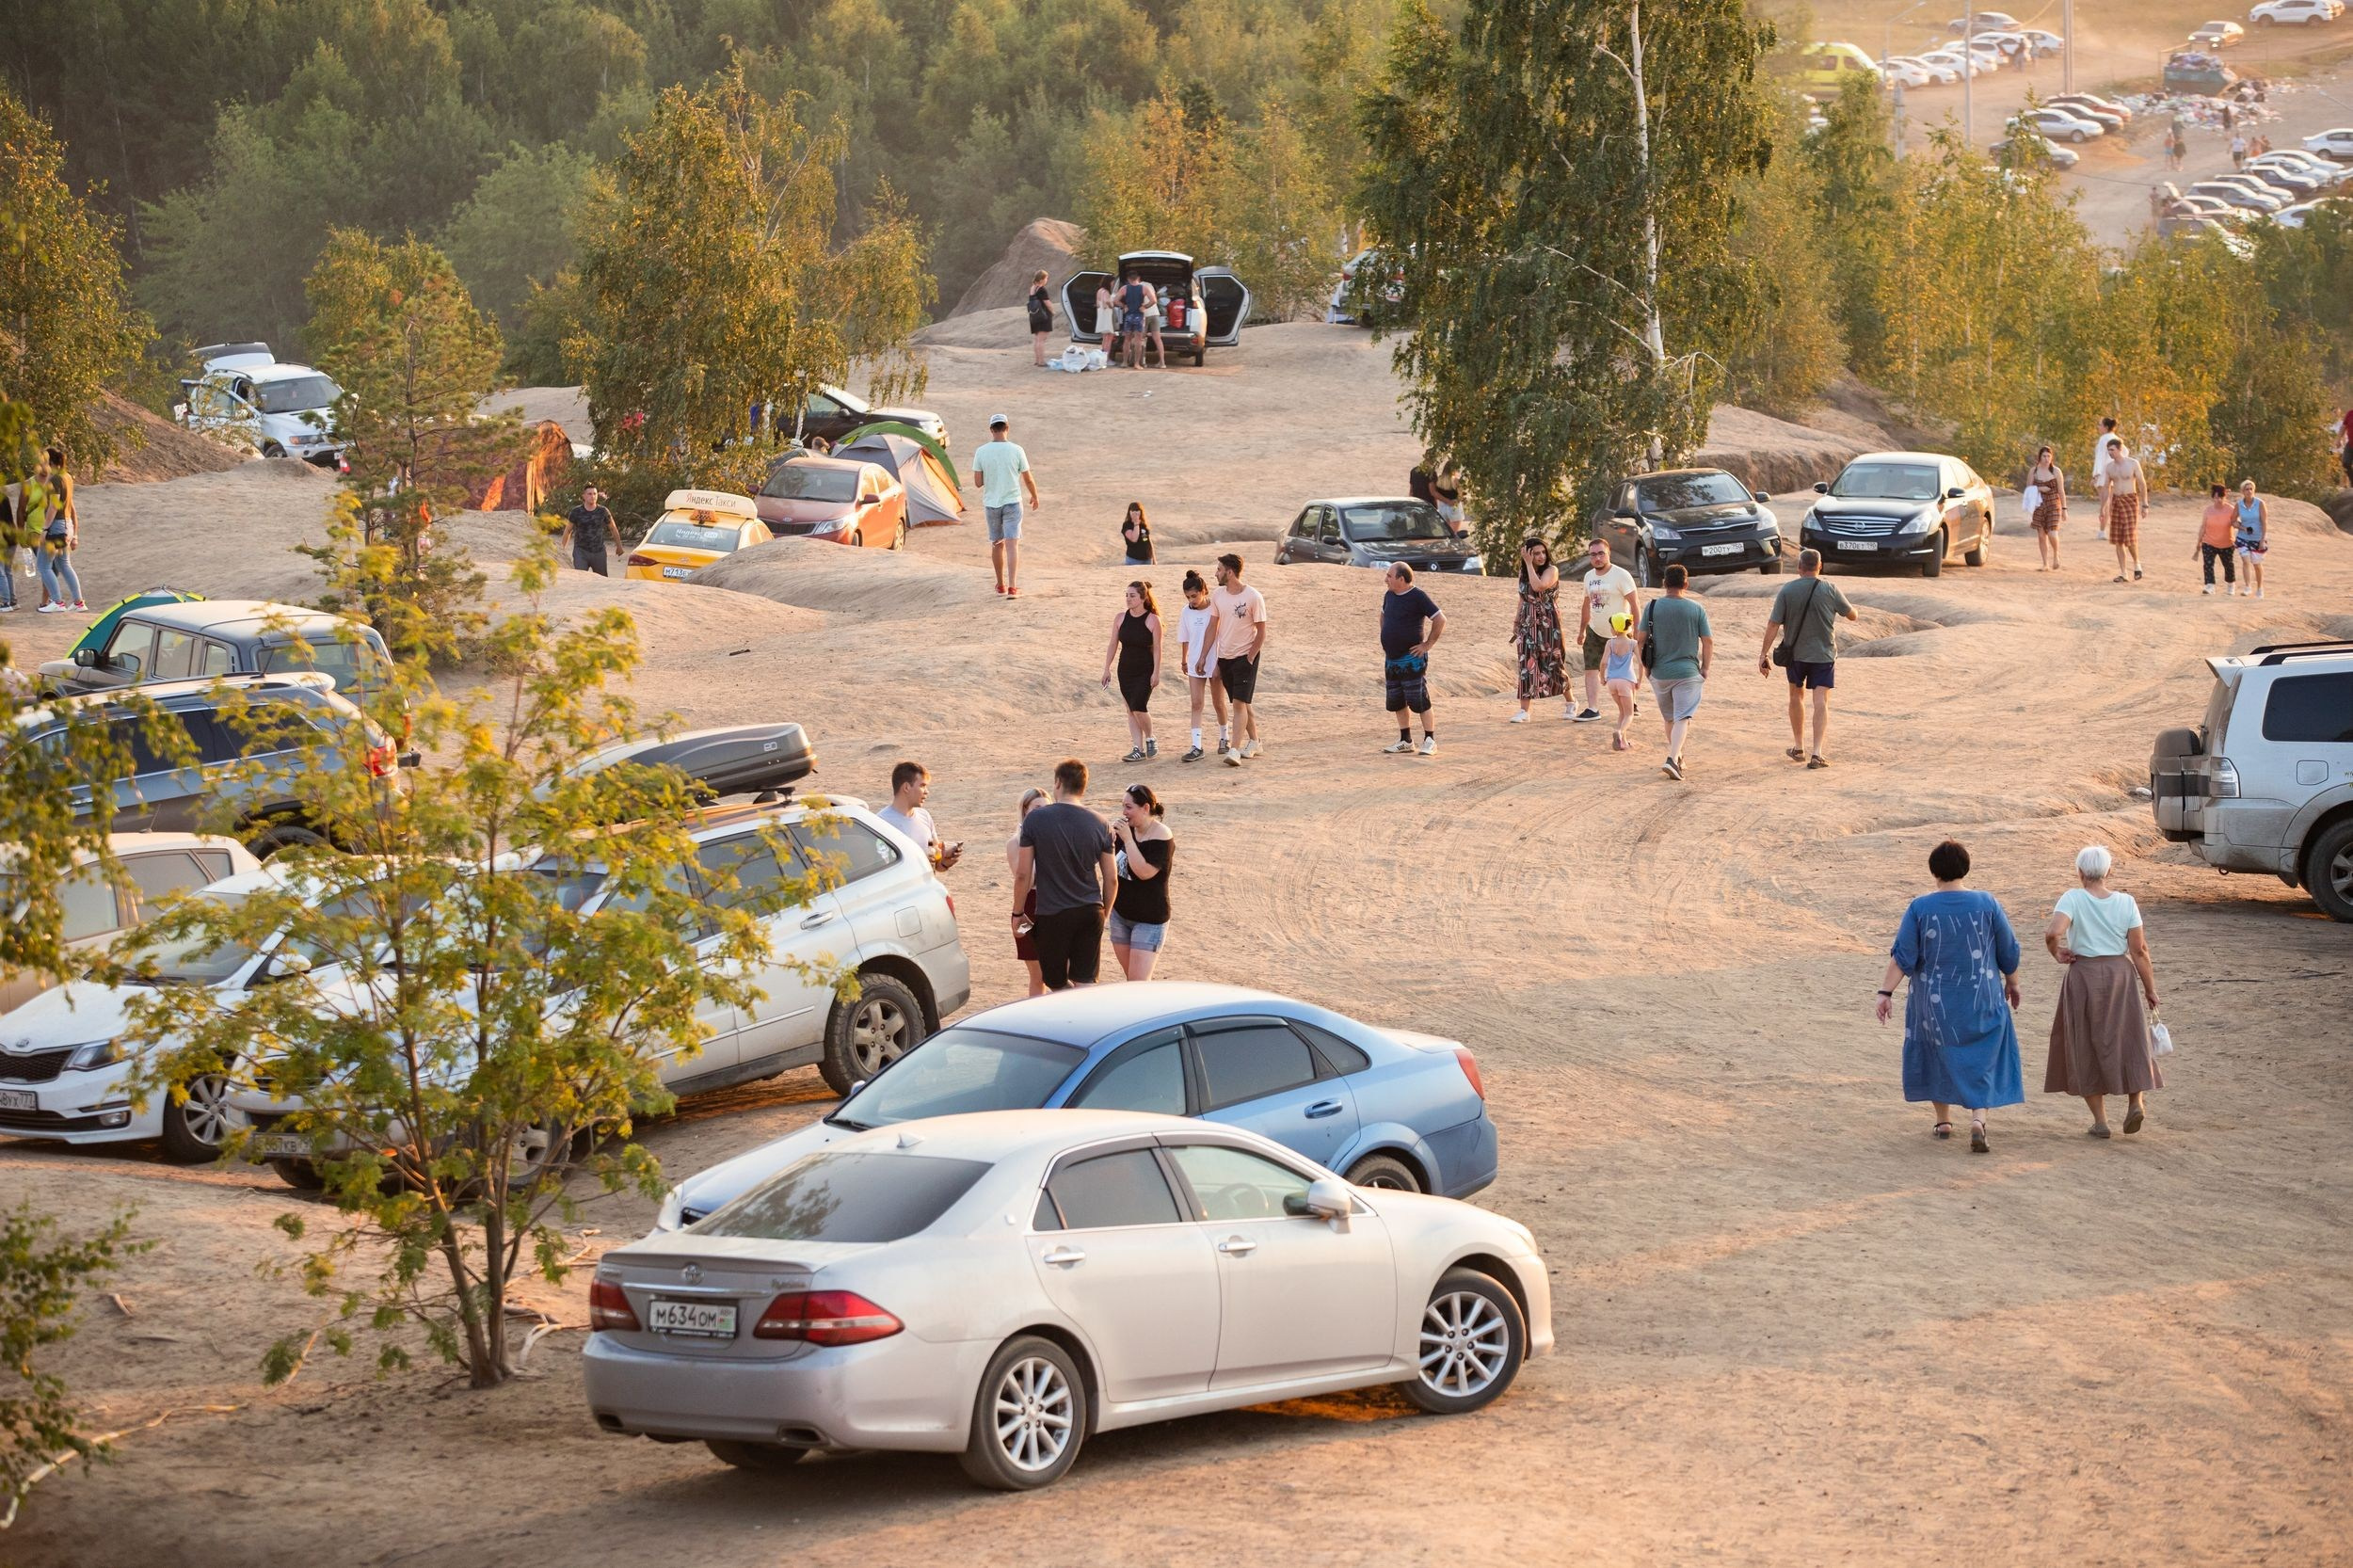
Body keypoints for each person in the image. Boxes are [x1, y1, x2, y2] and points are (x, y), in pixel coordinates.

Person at [1875, 839, 2025, 1155]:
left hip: (1933, 1002)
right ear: (1965, 868)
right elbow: (2008, 950)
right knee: (1985, 1054)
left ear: (1934, 871)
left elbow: (1903, 956)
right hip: (1982, 997)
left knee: (1936, 1053)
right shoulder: (1988, 903)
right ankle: (1978, 1119)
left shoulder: (1920, 908)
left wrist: (1885, 992)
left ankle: (1943, 1121)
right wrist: (2013, 983)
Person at [2044, 844, 2162, 1140]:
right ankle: (2135, 1102)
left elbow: (2053, 932)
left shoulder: (2073, 898)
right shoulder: (2126, 902)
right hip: (2120, 975)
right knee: (2130, 1037)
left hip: (2083, 975)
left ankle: (2100, 1122)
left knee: (2084, 1041)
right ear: (2109, 871)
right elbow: (2139, 950)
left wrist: (2056, 951)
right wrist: (2150, 989)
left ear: (2080, 872)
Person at [1012, 759, 1117, 991]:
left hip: (1053, 912)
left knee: (1054, 980)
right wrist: (1105, 913)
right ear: (1083, 786)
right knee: (1086, 980)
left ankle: (1072, 1008)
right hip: (1091, 909)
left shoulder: (1036, 820)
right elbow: (1111, 878)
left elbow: (1022, 874)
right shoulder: (1101, 823)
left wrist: (1017, 912)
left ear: (1058, 783)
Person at [1756, 547, 1858, 769]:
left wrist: (1764, 653)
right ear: (1820, 566)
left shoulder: (1787, 590)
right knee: (1821, 701)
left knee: (1796, 696)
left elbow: (1773, 624)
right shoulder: (1830, 588)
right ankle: (1817, 753)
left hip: (1796, 655)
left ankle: (1799, 747)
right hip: (1823, 655)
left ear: (1799, 567)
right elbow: (1852, 615)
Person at [1638, 563, 1709, 781]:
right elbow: (1707, 641)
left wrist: (1646, 668)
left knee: (1670, 719)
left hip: (1660, 673)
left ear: (1664, 583)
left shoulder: (1651, 607)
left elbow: (1640, 641)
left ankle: (1678, 757)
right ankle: (1672, 759)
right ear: (1686, 584)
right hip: (1687, 672)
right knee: (1683, 717)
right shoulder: (1696, 609)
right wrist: (1705, 667)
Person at [1378, 563, 1445, 756]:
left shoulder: (1418, 596)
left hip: (1412, 659)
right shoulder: (1389, 595)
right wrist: (1387, 636)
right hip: (1392, 659)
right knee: (1397, 700)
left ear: (1401, 578)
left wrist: (1427, 644)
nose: (1386, 579)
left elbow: (1440, 619)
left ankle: (1430, 740)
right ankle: (1406, 741)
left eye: (1389, 576)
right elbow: (1383, 616)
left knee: (1420, 699)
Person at [1108, 783, 1174, 980]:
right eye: (1123, 806)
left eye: (1129, 807)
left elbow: (1144, 872)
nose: (1124, 812)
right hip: (1120, 915)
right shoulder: (1124, 831)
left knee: (1138, 983)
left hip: (1149, 920)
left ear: (1145, 808)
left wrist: (1128, 840)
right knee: (1132, 981)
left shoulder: (1162, 836)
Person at [970, 414, 1041, 598]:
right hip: (1013, 502)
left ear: (991, 430)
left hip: (991, 503)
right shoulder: (1017, 450)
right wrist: (1034, 496)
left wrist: (992, 473)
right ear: (1007, 428)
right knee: (1012, 544)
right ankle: (1013, 587)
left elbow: (978, 483)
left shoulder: (981, 451)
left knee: (997, 543)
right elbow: (1028, 478)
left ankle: (1000, 585)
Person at [1210, 552, 1268, 765]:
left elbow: (1261, 632)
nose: (1216, 573)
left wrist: (1250, 658)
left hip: (1245, 657)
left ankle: (1234, 750)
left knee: (1238, 704)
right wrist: (1208, 656)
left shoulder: (1253, 597)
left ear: (1230, 572)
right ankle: (1255, 742)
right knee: (1243, 703)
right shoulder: (1218, 595)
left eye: (1219, 569)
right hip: (1225, 657)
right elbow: (1212, 627)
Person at [1576, 537, 1639, 722]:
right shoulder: (1589, 577)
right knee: (1591, 668)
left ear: (1608, 553)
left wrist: (1636, 630)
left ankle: (1631, 704)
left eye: (1601, 553)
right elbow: (1586, 604)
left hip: (1620, 631)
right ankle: (1592, 708)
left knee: (1623, 669)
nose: (1597, 558)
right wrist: (1582, 630)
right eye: (1593, 554)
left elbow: (1635, 604)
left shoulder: (1621, 575)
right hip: (1595, 630)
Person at [1101, 580, 1162, 762]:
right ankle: (1138, 748)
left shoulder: (1153, 620)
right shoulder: (1120, 618)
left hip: (1145, 670)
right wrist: (1106, 668)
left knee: (1138, 707)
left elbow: (1158, 648)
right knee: (1130, 709)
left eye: (1132, 595)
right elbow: (1113, 644)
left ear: (1143, 598)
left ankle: (1150, 738)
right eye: (1126, 595)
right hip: (1125, 670)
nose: (1128, 599)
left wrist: (1156, 672)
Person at [1509, 536, 1569, 722]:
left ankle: (1571, 702)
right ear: (1528, 554)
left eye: (1543, 552)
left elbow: (1538, 586)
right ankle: (1524, 711)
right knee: (1526, 662)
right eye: (1536, 554)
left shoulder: (1552, 570)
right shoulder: (1523, 572)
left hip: (1548, 620)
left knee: (1553, 661)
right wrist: (1516, 621)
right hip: (1527, 620)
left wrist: (1529, 564)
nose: (1541, 556)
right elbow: (1523, 597)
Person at [1175, 569, 1225, 762]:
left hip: (1215, 660)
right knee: (1196, 703)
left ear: (1204, 591)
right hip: (1195, 661)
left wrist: (1219, 661)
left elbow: (1221, 635)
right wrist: (1184, 660)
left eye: (1194, 596)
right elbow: (1185, 638)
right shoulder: (1185, 611)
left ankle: (1224, 738)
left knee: (1218, 703)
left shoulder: (1215, 609)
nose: (1191, 600)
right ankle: (1196, 746)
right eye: (1188, 597)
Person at [876, 760, 963, 871]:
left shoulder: (924, 816)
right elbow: (881, 868)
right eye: (922, 786)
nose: (926, 792)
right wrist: (920, 861)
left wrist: (945, 863)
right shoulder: (881, 823)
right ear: (906, 787)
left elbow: (936, 863)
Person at [1005, 787, 1049, 997]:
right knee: (1037, 975)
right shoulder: (1015, 843)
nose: (1042, 813)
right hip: (1027, 905)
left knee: (1062, 972)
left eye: (1046, 808)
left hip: (1055, 903)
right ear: (1025, 810)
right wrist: (1030, 843)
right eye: (1036, 808)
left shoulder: (1055, 838)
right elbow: (1025, 879)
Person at [32, 447, 83, 614]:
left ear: (51, 462)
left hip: (56, 526)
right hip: (67, 525)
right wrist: (75, 533)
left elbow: (53, 507)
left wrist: (45, 529)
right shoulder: (67, 477)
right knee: (64, 564)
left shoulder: (55, 480)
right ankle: (78, 602)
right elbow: (71, 506)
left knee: (43, 565)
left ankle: (57, 601)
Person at [2099, 436, 2147, 584]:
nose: (2110, 453)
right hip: (2116, 501)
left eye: (2112, 450)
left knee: (2129, 535)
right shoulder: (2109, 467)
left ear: (2120, 449)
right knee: (2118, 539)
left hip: (2130, 500)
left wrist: (2145, 504)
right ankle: (2123, 573)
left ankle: (2137, 564)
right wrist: (2102, 508)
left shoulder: (2132, 464)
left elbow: (2142, 484)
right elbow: (2106, 488)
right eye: (2108, 450)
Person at [561, 484, 622, 577]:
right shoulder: (576, 512)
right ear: (584, 496)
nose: (593, 496)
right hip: (581, 551)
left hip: (599, 552)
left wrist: (619, 546)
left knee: (602, 579)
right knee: (580, 578)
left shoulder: (603, 511)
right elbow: (568, 530)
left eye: (595, 494)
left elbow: (613, 528)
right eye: (589, 494)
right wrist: (562, 548)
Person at [1601, 612, 1641, 750]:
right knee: (1629, 714)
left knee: (1622, 712)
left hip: (1612, 681)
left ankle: (1623, 742)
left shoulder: (1610, 643)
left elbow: (1603, 662)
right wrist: (1640, 680)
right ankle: (1619, 732)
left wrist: (1602, 677)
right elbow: (1641, 663)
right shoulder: (1633, 643)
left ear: (1615, 629)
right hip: (1627, 681)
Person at [2195, 483, 2237, 596]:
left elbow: (2236, 523)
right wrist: (2199, 542)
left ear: (2225, 497)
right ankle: (2210, 586)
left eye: (2221, 497)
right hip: (2209, 542)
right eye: (2216, 497)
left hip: (2227, 543)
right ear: (2213, 497)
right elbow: (2203, 527)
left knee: (2228, 565)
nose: (2218, 500)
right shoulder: (2208, 511)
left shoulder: (2231, 509)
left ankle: (2231, 585)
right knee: (2208, 564)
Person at [2028, 444, 2066, 570]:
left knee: (2052, 533)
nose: (2046, 459)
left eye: (2049, 456)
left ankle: (2056, 554)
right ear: (2039, 457)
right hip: (2039, 504)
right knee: (2041, 535)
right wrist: (2040, 488)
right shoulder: (2034, 471)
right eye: (2044, 456)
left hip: (2053, 503)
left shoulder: (2056, 471)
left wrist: (2064, 509)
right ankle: (2045, 563)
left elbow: (2061, 491)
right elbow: (2028, 489)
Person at [2090, 417, 2124, 540]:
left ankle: (2102, 531)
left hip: (2104, 475)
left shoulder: (2103, 439)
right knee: (2111, 503)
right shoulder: (2117, 439)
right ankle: (2108, 530)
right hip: (2116, 474)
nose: (2098, 427)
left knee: (2105, 503)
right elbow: (2125, 452)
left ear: (2105, 427)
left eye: (2100, 425)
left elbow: (2099, 459)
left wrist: (2096, 475)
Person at [2233, 479, 2268, 599]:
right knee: (2245, 561)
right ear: (2242, 491)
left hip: (2258, 538)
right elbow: (2233, 521)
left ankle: (2260, 588)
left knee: (2257, 564)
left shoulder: (2260, 503)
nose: (2249, 491)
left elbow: (2264, 522)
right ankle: (2248, 587)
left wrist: (2262, 540)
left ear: (2254, 490)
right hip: (2243, 538)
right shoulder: (2239, 505)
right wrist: (2242, 527)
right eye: (2246, 489)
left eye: (2251, 489)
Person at [1118, 270, 1150, 369]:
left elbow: (1115, 301)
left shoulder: (1124, 288)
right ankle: (1136, 364)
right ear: (1138, 278)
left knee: (1127, 340)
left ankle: (1124, 362)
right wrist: (1145, 306)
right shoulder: (1144, 288)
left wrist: (1124, 306)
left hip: (1128, 316)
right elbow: (1154, 300)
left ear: (1128, 279)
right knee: (1138, 340)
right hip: (1139, 316)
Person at [1026, 269, 1055, 367]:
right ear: (1042, 279)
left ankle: (1037, 360)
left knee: (1037, 340)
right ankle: (1041, 362)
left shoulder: (1032, 288)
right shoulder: (1042, 289)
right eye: (1046, 278)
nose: (1047, 280)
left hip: (1034, 316)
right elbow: (1047, 303)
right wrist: (1053, 311)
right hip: (1043, 316)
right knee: (1041, 340)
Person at [1430, 456, 1465, 535]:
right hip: (1453, 507)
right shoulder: (1455, 480)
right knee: (1453, 534)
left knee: (1445, 532)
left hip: (1442, 507)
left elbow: (1436, 492)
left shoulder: (1439, 479)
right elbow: (1461, 495)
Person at [1120, 501, 1154, 565]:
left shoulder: (1143, 524)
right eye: (1133, 510)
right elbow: (1134, 539)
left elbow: (1148, 541)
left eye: (1137, 510)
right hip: (1134, 559)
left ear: (1141, 511)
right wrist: (1136, 524)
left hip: (1148, 559)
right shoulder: (1127, 525)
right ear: (1129, 512)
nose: (1135, 512)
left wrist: (1154, 559)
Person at [1094, 279, 1118, 355]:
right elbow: (1107, 301)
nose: (1112, 284)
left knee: (1104, 337)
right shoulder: (1106, 292)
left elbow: (1098, 303)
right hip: (1107, 317)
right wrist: (1111, 305)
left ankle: (1103, 355)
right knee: (1110, 337)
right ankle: (1106, 356)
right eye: (1112, 282)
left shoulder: (1099, 291)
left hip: (1102, 316)